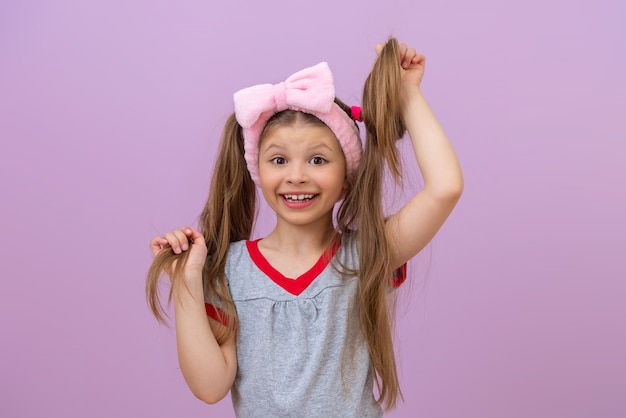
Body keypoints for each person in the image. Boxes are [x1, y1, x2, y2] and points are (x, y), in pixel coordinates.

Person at [146, 38, 463, 417]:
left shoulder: (367, 254)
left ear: (347, 176)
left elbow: (445, 187)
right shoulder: (229, 270)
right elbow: (210, 387)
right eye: (278, 160)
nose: (296, 176)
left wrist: (407, 93)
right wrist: (186, 280)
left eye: (317, 159)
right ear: (257, 173)